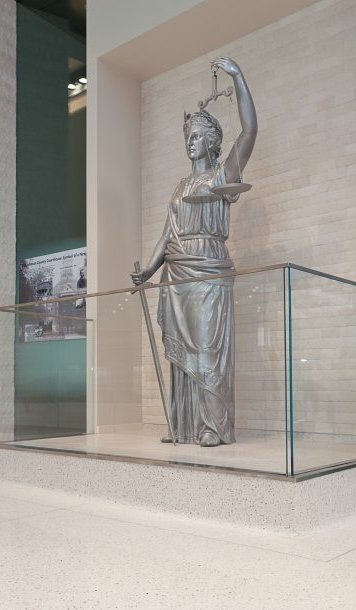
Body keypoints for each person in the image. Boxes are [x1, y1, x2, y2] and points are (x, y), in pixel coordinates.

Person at [130, 56, 257, 447]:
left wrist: (238, 78)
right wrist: (149, 270)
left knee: (207, 348)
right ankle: (184, 424)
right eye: (188, 135)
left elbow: (250, 131)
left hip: (209, 271)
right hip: (177, 272)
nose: (191, 141)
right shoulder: (180, 185)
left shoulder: (223, 176)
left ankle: (213, 426)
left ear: (213, 142)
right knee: (183, 352)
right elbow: (166, 233)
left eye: (198, 135)